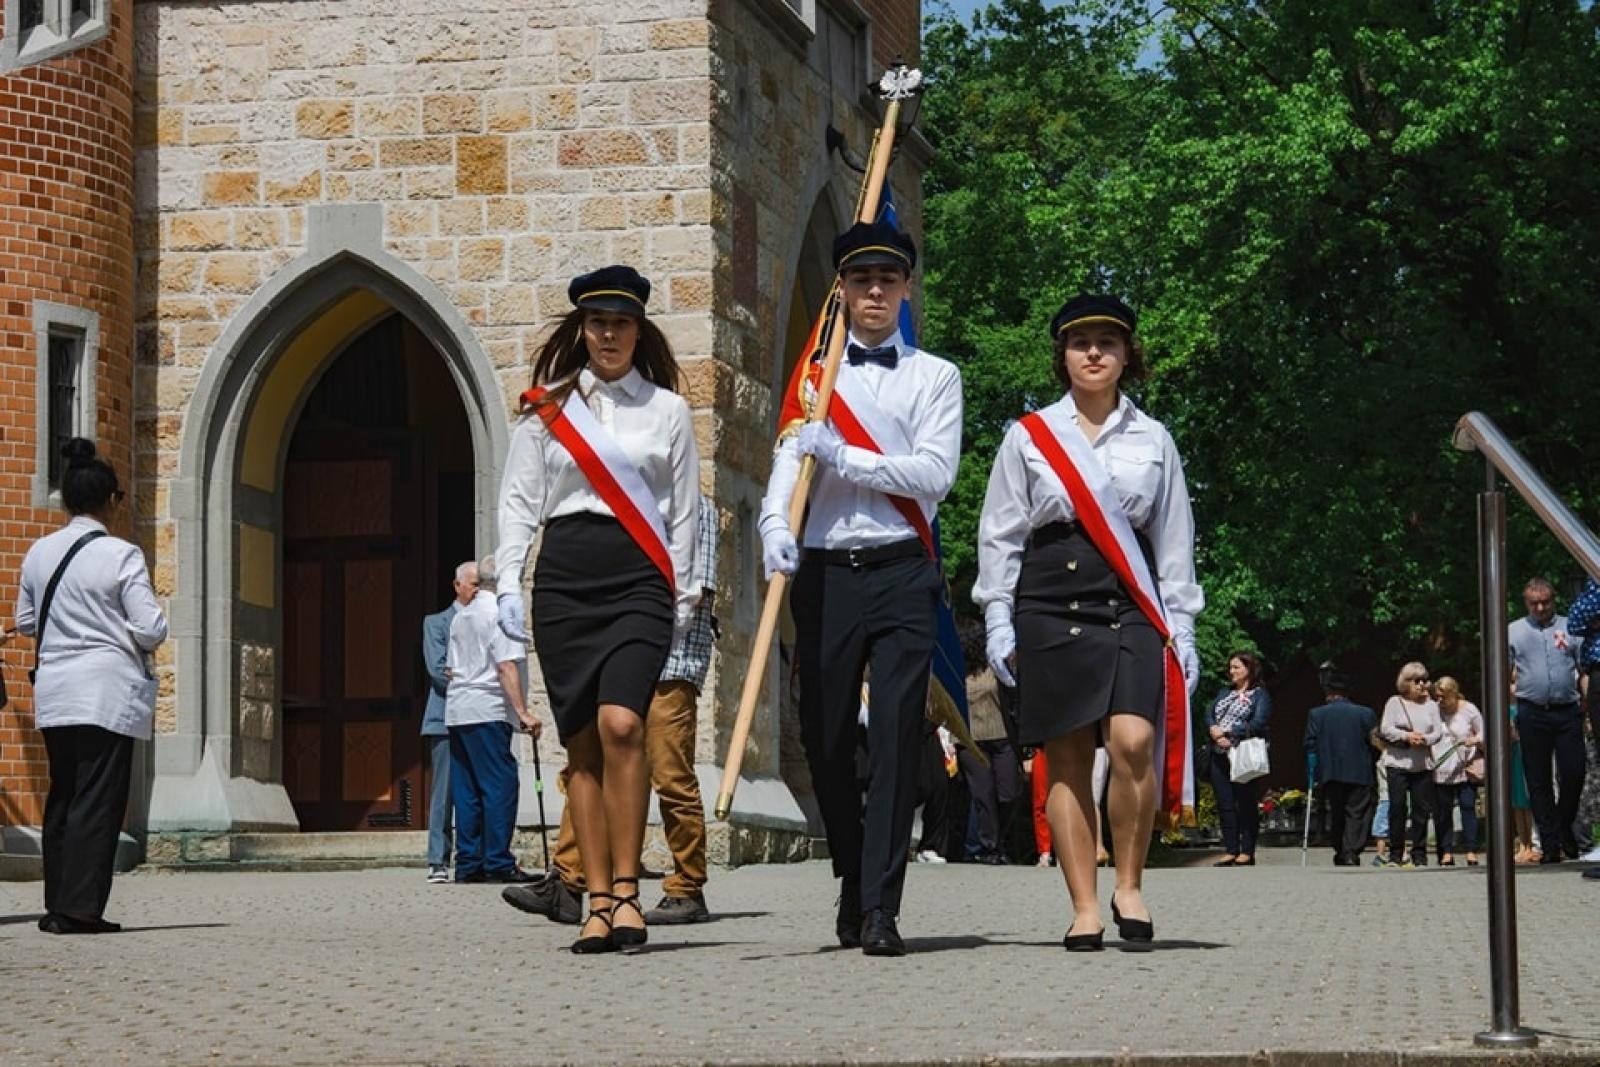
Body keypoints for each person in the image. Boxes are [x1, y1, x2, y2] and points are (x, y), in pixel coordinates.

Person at [759, 219, 963, 956]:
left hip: (903, 565)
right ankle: (854, 872)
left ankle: (881, 907)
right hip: (824, 571)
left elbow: (933, 473)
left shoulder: (936, 376)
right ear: (841, 291)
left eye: (888, 279)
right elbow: (789, 457)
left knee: (896, 736)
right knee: (824, 733)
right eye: (860, 280)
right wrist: (772, 524)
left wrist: (845, 453)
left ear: (905, 288)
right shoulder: (818, 377)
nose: (874, 291)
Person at [975, 293, 1202, 950]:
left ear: (1128, 354)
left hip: (1129, 599)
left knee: (1132, 741)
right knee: (1067, 754)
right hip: (1047, 599)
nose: (1094, 352)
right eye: (1081, 342)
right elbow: (1001, 533)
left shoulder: (1154, 437)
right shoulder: (1029, 435)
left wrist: (1182, 625)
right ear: (1062, 356)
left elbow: (1174, 539)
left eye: (1108, 340)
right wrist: (998, 617)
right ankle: (1083, 905)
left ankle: (1128, 883)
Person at [496, 265, 699, 954]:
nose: (609, 334)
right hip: (564, 579)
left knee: (623, 724)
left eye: (621, 323)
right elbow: (519, 503)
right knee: (580, 743)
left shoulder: (667, 410)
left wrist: (686, 591)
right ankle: (596, 899)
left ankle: (629, 889)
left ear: (639, 330)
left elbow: (684, 511)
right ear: (581, 330)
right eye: (597, 322)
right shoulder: (548, 408)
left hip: (638, 577)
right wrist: (504, 588)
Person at [504, 494, 720, 927]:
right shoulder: (622, 496)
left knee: (670, 773)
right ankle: (568, 881)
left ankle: (686, 885)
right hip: (621, 648)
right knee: (590, 762)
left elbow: (696, 583)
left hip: (671, 656)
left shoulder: (694, 505)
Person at [12, 438, 168, 934]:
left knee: (62, 794)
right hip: (105, 686)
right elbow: (151, 628)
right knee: (98, 799)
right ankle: (81, 909)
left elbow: (25, 620)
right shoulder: (122, 554)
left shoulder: (39, 551)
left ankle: (57, 903)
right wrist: (112, 629)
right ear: (113, 500)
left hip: (55, 687)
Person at [445, 557, 538, 885]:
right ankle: (498, 860)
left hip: (459, 709)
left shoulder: (462, 616)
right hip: (487, 708)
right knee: (500, 785)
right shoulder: (500, 614)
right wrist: (523, 711)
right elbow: (506, 667)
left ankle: (469, 862)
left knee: (467, 787)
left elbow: (452, 668)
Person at [1509, 577, 1584, 863]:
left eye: (1545, 602)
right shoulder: (1513, 631)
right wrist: (1507, 717)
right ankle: (1551, 846)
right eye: (1534, 603)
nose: (1540, 608)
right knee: (1537, 779)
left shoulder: (1571, 627)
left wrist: (1587, 706)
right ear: (1526, 603)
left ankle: (1561, 824)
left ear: (1554, 600)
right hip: (1531, 711)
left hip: (1567, 710)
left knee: (1574, 772)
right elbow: (1502, 675)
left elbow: (1582, 668)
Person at [420, 564, 473, 884]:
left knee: (475, 791)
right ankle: (437, 859)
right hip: (444, 718)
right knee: (444, 792)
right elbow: (439, 670)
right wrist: (477, 679)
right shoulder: (437, 623)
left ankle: (473, 857)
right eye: (474, 584)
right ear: (457, 585)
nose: (479, 590)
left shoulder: (485, 621)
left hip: (479, 716)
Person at [956, 618, 1022, 864]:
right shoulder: (957, 672)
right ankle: (990, 848)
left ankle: (996, 841)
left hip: (1002, 735)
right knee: (982, 796)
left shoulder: (995, 667)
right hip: (970, 739)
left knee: (1008, 794)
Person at [1204, 651, 1272, 867]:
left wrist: (1232, 732)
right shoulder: (1225, 692)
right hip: (1219, 753)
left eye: (1236, 667)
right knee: (1224, 803)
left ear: (1249, 669)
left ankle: (1247, 850)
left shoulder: (1260, 695)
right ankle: (1230, 849)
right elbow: (1210, 712)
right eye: (1230, 667)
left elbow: (1259, 722)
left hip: (1242, 753)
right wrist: (1214, 729)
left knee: (1245, 802)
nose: (1231, 671)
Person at [1305, 668, 1378, 866]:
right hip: (1359, 770)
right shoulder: (1365, 713)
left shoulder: (1316, 714)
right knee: (1357, 812)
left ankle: (1340, 849)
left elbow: (1310, 744)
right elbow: (1375, 742)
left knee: (1336, 811)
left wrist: (1313, 769)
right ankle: (1351, 851)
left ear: (1329, 692)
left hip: (1330, 771)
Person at [1377, 662, 1443, 867]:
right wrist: (1407, 736)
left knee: (1421, 810)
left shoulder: (1431, 705)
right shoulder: (1394, 702)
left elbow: (1438, 732)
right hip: (1398, 763)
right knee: (1397, 808)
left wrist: (1425, 739)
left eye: (1425, 680)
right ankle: (1395, 854)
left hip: (1422, 764)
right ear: (1406, 682)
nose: (1422, 684)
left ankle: (1420, 854)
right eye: (1417, 681)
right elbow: (1385, 728)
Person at [1429, 677, 1484, 866]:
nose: (1439, 701)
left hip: (1464, 766)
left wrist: (1474, 740)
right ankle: (1446, 851)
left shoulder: (1469, 709)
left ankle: (1471, 850)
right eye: (1437, 697)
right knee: (1443, 812)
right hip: (1441, 766)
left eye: (1443, 697)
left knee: (1468, 807)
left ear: (1453, 694)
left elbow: (1484, 731)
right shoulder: (1434, 710)